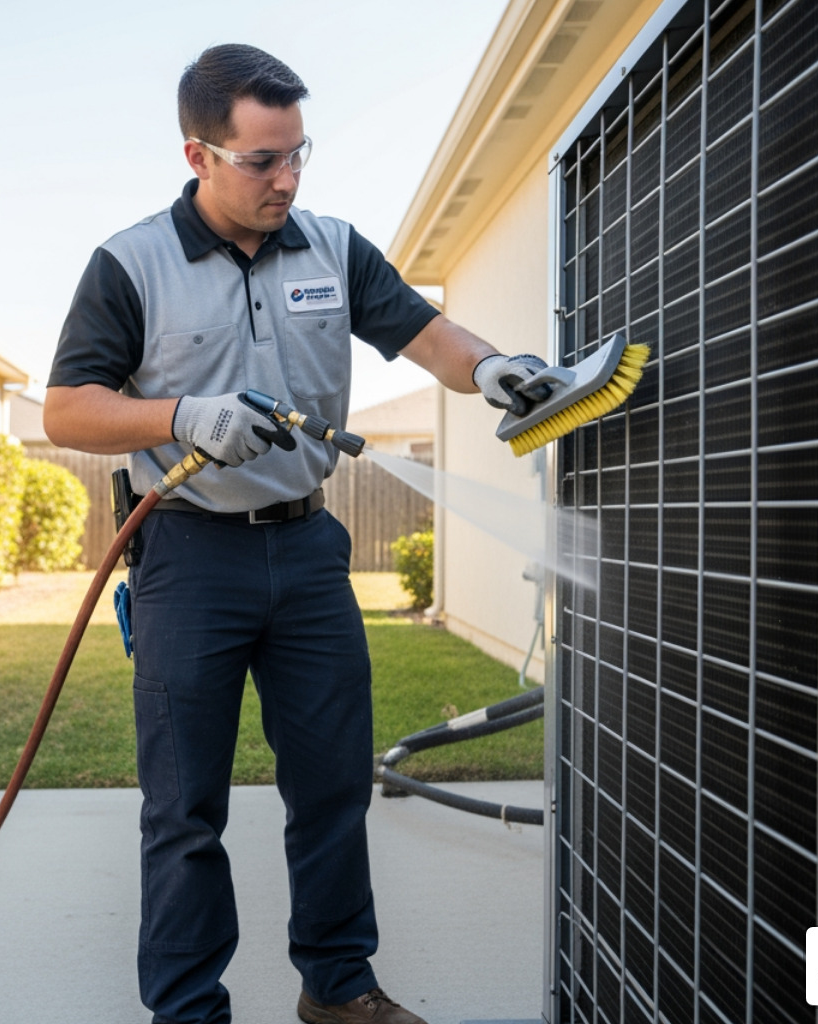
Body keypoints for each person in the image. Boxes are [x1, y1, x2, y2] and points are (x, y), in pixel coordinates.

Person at [44, 43, 549, 1024]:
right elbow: (68, 409)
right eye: (262, 160)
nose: (287, 179)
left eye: (298, 153)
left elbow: (425, 333)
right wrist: (180, 416)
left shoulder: (331, 246)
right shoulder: (130, 263)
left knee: (330, 786)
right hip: (188, 556)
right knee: (186, 807)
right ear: (198, 155)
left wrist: (491, 368)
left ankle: (339, 986)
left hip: (311, 553)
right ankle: (190, 1010)